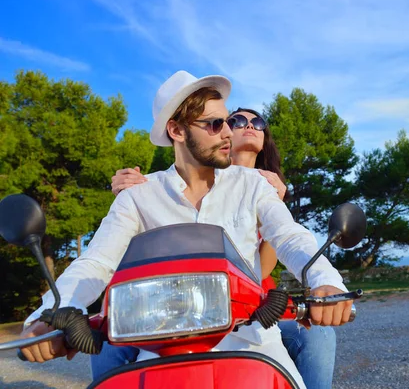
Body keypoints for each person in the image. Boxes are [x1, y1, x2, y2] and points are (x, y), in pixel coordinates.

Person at [18, 71, 352, 389]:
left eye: (227, 122)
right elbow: (97, 262)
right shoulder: (139, 195)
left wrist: (325, 282)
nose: (228, 133)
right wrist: (50, 314)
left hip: (254, 343)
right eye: (215, 123)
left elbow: (289, 236)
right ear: (177, 131)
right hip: (160, 348)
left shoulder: (252, 184)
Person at [102, 107, 337, 389]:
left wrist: (324, 280)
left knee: (318, 335)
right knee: (106, 341)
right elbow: (110, 254)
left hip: (255, 309)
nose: (245, 127)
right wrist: (128, 194)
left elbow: (282, 246)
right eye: (233, 121)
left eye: (258, 122)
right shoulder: (154, 187)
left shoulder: (264, 186)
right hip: (176, 309)